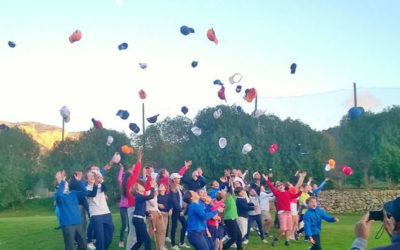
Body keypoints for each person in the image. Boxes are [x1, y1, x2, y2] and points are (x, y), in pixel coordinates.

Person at [264, 172, 306, 246]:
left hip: (288, 213)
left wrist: (301, 191)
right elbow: (271, 187)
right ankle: (276, 238)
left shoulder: (288, 193)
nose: (280, 186)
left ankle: (287, 241)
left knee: (289, 228)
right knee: (283, 228)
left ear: (283, 186)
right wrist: (267, 180)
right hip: (282, 213)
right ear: (277, 188)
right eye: (278, 186)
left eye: (281, 185)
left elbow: (295, 195)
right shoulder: (277, 193)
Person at [54, 170, 87, 250]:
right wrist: (62, 181)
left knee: (83, 245)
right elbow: (59, 194)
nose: (65, 184)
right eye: (63, 184)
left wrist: (79, 182)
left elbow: (85, 192)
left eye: (65, 183)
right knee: (70, 247)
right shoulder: (58, 196)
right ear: (59, 187)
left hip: (78, 222)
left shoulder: (73, 193)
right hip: (67, 224)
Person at [86, 170, 114, 250]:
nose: (92, 177)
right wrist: (96, 184)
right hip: (96, 215)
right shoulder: (86, 189)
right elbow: (92, 194)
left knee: (109, 237)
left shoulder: (99, 186)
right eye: (89, 176)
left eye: (93, 176)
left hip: (106, 213)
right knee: (100, 238)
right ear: (86, 179)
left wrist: (101, 180)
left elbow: (105, 188)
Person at [130, 179, 157, 250]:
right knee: (147, 239)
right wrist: (152, 187)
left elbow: (143, 209)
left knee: (140, 241)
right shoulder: (139, 196)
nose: (142, 186)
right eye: (139, 186)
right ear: (137, 190)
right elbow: (151, 196)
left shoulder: (140, 197)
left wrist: (148, 214)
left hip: (138, 220)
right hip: (138, 220)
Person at [125, 151, 143, 250]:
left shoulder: (134, 182)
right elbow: (136, 172)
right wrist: (139, 160)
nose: (134, 169)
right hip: (132, 208)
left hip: (136, 207)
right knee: (133, 232)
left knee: (136, 232)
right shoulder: (130, 180)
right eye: (132, 169)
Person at [220, 176, 243, 250]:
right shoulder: (225, 198)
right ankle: (224, 248)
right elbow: (229, 189)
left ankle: (239, 248)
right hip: (229, 219)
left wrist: (230, 181)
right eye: (221, 192)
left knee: (239, 235)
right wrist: (228, 181)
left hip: (232, 218)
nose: (223, 191)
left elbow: (231, 189)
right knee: (234, 237)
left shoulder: (231, 196)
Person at [169, 170, 190, 249]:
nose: (179, 179)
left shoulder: (178, 187)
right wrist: (180, 210)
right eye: (178, 178)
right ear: (174, 179)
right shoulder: (171, 188)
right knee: (174, 226)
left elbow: (182, 197)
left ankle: (181, 242)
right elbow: (174, 200)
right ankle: (173, 244)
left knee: (184, 224)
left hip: (179, 209)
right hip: (175, 209)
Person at [117, 163, 129, 248]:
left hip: (130, 207)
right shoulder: (122, 184)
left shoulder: (132, 184)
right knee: (124, 224)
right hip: (123, 207)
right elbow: (119, 179)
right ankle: (121, 241)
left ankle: (129, 240)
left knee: (130, 225)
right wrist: (122, 168)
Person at [157, 183, 171, 250]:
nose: (160, 186)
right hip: (160, 214)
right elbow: (152, 203)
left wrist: (171, 209)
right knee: (161, 230)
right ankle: (160, 246)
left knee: (164, 230)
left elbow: (171, 204)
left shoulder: (168, 196)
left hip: (166, 214)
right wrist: (158, 204)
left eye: (162, 186)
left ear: (165, 189)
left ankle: (162, 245)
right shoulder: (157, 196)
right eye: (160, 186)